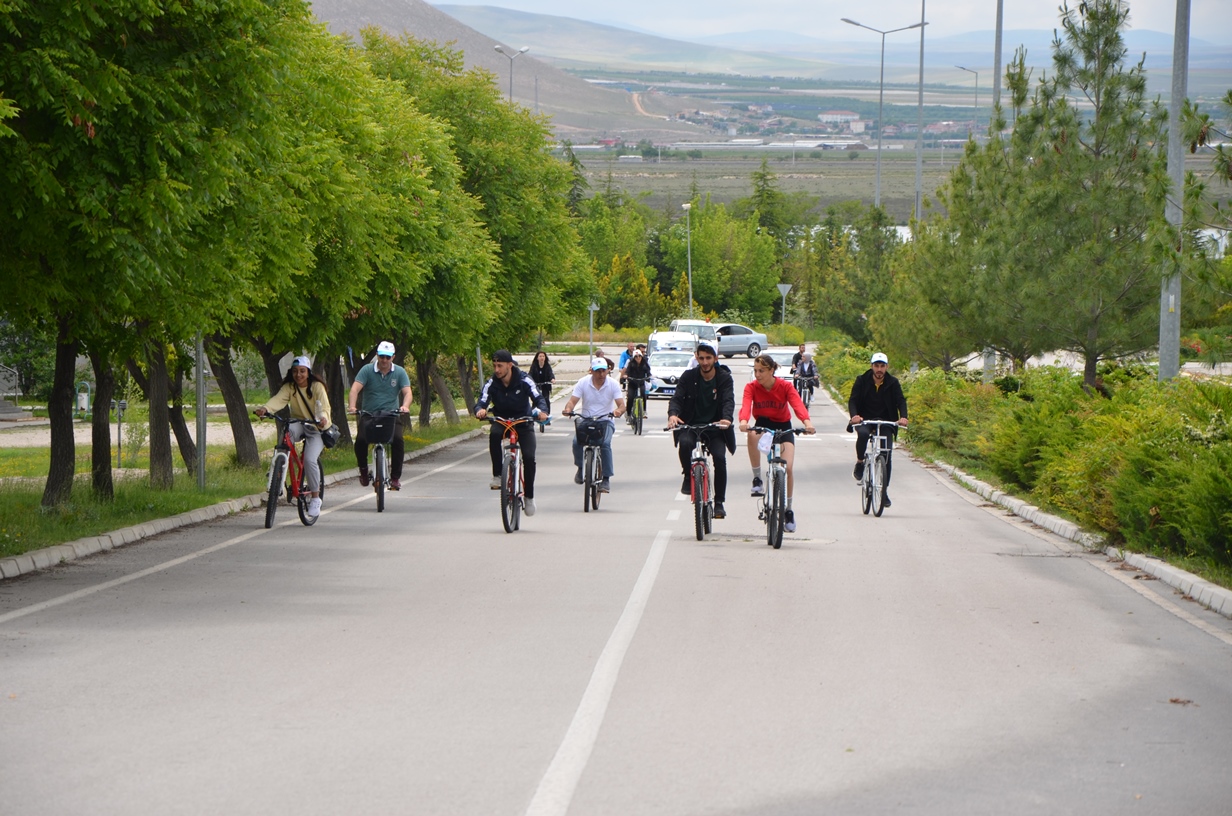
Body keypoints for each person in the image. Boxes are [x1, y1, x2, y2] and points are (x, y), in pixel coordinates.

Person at [739, 354, 816, 532]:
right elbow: (746, 405)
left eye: (762, 371)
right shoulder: (751, 387)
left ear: (772, 370)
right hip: (763, 426)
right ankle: (757, 478)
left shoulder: (785, 386)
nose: (758, 375)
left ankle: (788, 509)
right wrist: (744, 421)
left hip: (783, 427)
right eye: (756, 371)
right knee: (751, 435)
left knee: (787, 468)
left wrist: (807, 423)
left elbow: (797, 405)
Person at [255, 356, 333, 518]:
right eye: (295, 372)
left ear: (308, 372)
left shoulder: (317, 387)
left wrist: (323, 419)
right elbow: (278, 400)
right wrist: (265, 409)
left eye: (302, 371)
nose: (299, 375)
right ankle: (277, 470)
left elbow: (325, 407)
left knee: (309, 460)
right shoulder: (290, 387)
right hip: (298, 423)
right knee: (286, 431)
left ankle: (316, 498)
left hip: (316, 427)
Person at [474, 350, 549, 516]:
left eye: (500, 366)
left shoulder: (524, 380)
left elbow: (538, 398)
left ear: (510, 365)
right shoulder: (492, 383)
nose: (497, 370)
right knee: (494, 435)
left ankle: (529, 496)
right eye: (494, 366)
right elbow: (482, 400)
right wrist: (480, 410)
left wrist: (543, 411)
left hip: (523, 422)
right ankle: (497, 474)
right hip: (502, 420)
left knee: (529, 457)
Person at [667, 343, 735, 519]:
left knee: (720, 458)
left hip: (715, 427)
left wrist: (726, 419)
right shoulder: (689, 376)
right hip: (691, 425)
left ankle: (719, 503)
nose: (705, 362)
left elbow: (728, 400)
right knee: (685, 444)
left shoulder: (724, 378)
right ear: (696, 358)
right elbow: (677, 398)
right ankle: (686, 475)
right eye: (701, 358)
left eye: (708, 358)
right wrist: (673, 415)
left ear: (715, 358)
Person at [348, 341, 413, 490]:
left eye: (387, 357)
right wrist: (352, 406)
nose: (384, 360)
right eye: (382, 356)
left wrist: (405, 406)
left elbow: (407, 392)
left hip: (391, 415)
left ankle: (395, 477)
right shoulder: (367, 370)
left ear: (393, 357)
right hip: (369, 415)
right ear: (377, 355)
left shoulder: (400, 372)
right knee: (360, 441)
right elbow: (354, 390)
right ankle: (363, 470)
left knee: (398, 440)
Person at [848, 351, 909, 507]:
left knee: (886, 454)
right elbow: (853, 400)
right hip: (865, 419)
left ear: (887, 367)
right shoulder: (861, 380)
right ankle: (860, 462)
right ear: (872, 366)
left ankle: (883, 492)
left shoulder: (893, 382)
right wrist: (855, 416)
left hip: (886, 422)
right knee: (862, 435)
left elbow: (901, 401)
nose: (879, 369)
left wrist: (903, 417)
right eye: (876, 366)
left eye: (882, 366)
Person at [562, 358, 626, 492]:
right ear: (591, 371)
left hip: (606, 420)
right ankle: (580, 467)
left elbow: (621, 405)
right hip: (587, 419)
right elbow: (572, 401)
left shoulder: (613, 384)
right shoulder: (583, 382)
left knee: (605, 444)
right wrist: (568, 410)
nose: (601, 374)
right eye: (598, 371)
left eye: (604, 371)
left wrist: (618, 411)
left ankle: (606, 478)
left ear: (608, 370)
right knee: (576, 442)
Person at [622, 348, 653, 424]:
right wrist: (626, 376)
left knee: (644, 395)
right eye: (636, 356)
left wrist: (649, 376)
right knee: (630, 398)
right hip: (632, 383)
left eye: (639, 356)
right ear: (633, 357)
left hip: (641, 382)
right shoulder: (631, 364)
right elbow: (627, 371)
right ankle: (629, 415)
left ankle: (644, 411)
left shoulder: (644, 363)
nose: (638, 358)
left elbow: (648, 372)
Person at [529, 351, 556, 429]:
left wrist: (552, 379)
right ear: (537, 358)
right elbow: (530, 374)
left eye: (543, 356)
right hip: (536, 385)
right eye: (540, 356)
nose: (542, 358)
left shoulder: (547, 366)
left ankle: (547, 416)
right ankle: (533, 417)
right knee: (535, 401)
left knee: (546, 400)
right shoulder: (534, 366)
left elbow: (550, 374)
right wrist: (530, 381)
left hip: (545, 386)